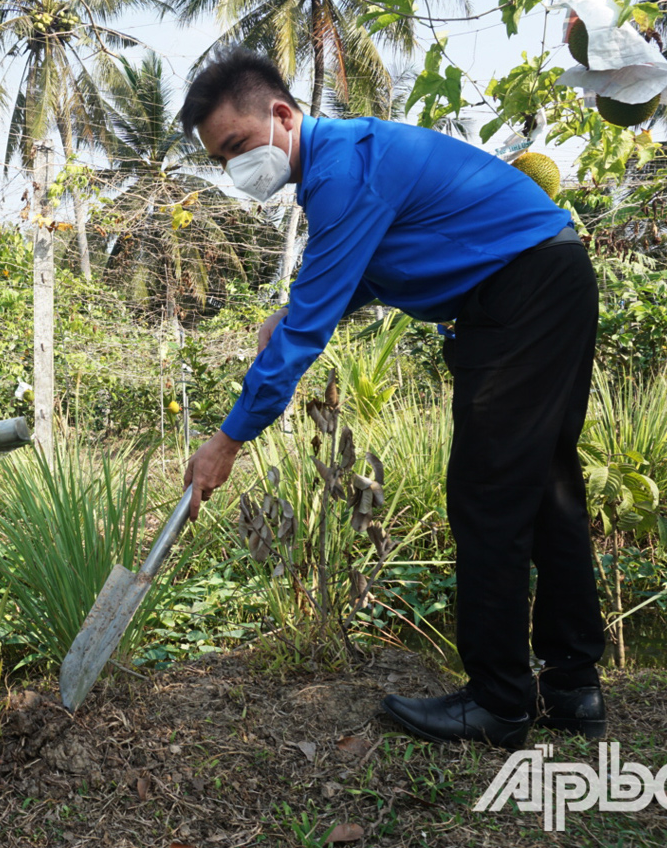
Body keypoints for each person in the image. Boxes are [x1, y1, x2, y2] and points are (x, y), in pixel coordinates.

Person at [178, 49, 606, 748]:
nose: (236, 171)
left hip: (522, 293)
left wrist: (227, 441)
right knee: (547, 487)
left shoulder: (345, 170)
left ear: (282, 115)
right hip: (549, 278)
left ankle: (500, 701)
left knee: (488, 494)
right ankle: (572, 688)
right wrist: (292, 314)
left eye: (236, 146)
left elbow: (306, 333)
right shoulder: (345, 162)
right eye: (220, 160)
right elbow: (371, 276)